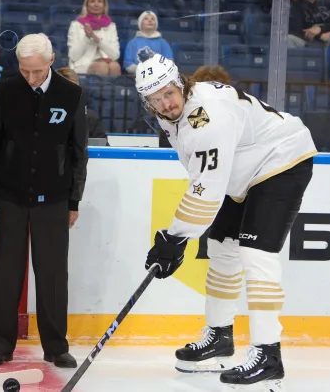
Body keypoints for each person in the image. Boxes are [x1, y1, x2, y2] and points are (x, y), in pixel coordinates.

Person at [134, 53, 317, 389]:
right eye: (155, 100)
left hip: (282, 159)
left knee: (256, 253)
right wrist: (175, 238)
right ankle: (220, 335)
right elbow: (201, 177)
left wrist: (174, 238)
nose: (165, 104)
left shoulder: (208, 117)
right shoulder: (169, 115)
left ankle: (268, 355)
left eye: (168, 94)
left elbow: (205, 193)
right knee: (221, 246)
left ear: (181, 84)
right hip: (243, 172)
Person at [0, 33, 88, 368]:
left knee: (53, 274)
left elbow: (78, 153)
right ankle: (0, 344)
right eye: (24, 71)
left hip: (54, 200)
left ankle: (56, 347)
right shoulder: (6, 90)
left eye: (36, 71)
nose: (30, 78)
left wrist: (73, 201)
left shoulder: (71, 94)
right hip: (10, 198)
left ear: (51, 60)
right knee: (6, 273)